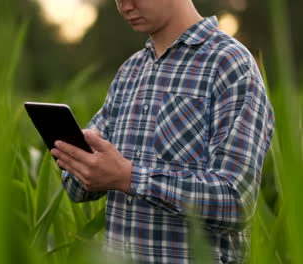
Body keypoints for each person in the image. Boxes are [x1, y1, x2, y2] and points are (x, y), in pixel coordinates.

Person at [50, 0, 275, 263]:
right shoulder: (130, 72)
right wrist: (79, 162)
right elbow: (78, 190)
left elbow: (237, 201)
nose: (124, 6)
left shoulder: (231, 65)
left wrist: (129, 177)